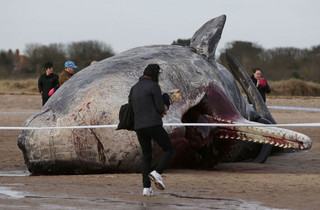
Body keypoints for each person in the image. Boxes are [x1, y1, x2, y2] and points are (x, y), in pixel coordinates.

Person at [129, 64, 174, 196]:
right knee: (169, 149)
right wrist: (166, 99)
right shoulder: (154, 86)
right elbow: (160, 108)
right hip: (153, 124)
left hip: (139, 127)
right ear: (155, 74)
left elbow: (131, 105)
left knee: (147, 155)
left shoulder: (134, 88)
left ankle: (146, 189)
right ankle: (157, 173)